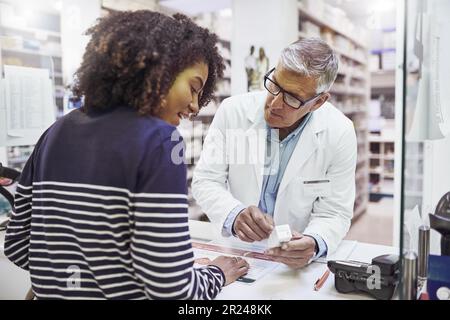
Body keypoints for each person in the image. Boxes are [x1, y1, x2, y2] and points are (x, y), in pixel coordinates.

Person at [4, 10, 249, 300]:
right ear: (159, 67)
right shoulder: (159, 140)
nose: (195, 106)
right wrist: (216, 274)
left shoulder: (56, 131)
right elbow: (172, 290)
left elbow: (17, 246)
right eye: (193, 88)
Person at [192, 38, 357, 269]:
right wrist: (234, 214)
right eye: (275, 85)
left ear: (318, 101)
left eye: (291, 98)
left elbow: (335, 211)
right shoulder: (233, 111)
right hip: (236, 250)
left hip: (293, 264)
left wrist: (315, 241)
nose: (275, 103)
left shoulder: (340, 132)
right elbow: (205, 181)